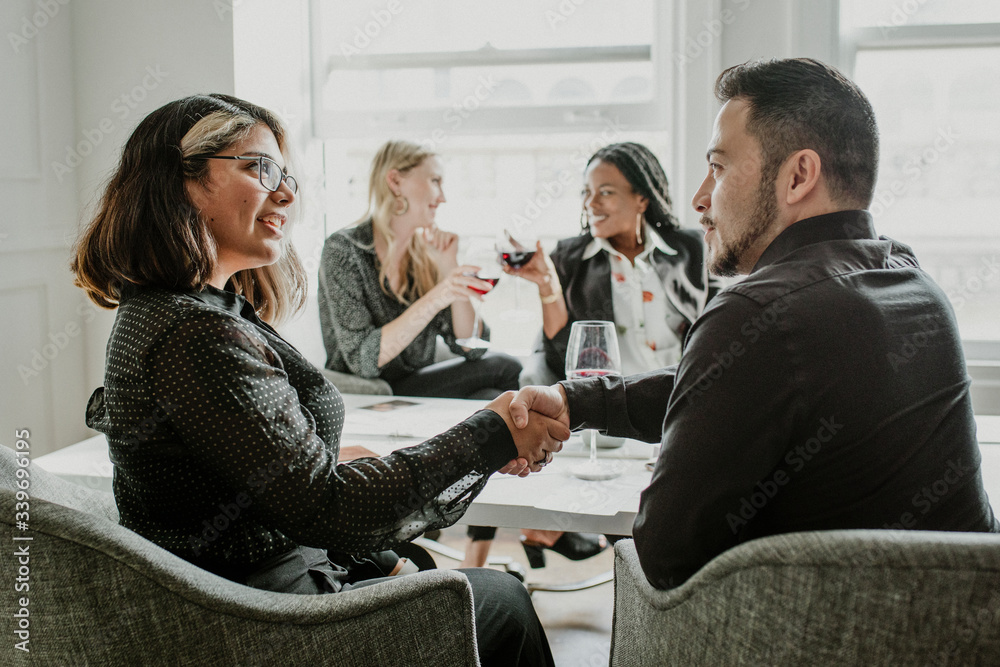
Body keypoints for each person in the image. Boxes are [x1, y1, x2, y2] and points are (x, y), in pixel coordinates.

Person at [71, 94, 564, 666]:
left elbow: (263, 477)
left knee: (431, 569)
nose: (286, 193)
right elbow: (328, 507)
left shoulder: (185, 311)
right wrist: (490, 435)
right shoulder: (195, 337)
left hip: (255, 586)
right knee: (501, 599)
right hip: (265, 619)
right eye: (260, 167)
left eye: (286, 174)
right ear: (182, 180)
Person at [509, 58, 999, 590]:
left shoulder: (757, 311)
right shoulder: (917, 286)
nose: (699, 198)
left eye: (718, 167)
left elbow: (664, 554)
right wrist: (578, 402)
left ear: (797, 176)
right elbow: (727, 383)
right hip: (959, 622)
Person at [467, 142, 718, 569]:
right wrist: (547, 282)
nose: (591, 202)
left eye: (606, 191)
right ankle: (498, 562)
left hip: (677, 402)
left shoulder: (694, 249)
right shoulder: (570, 256)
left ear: (642, 197)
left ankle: (591, 546)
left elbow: (715, 335)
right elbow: (562, 352)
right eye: (587, 192)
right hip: (608, 406)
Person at [317, 140, 522, 399]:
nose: (443, 197)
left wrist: (449, 266)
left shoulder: (425, 256)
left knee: (490, 396)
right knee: (506, 368)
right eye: (435, 181)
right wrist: (438, 296)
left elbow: (472, 349)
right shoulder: (344, 250)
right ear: (395, 182)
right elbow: (363, 359)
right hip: (370, 391)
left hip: (416, 383)